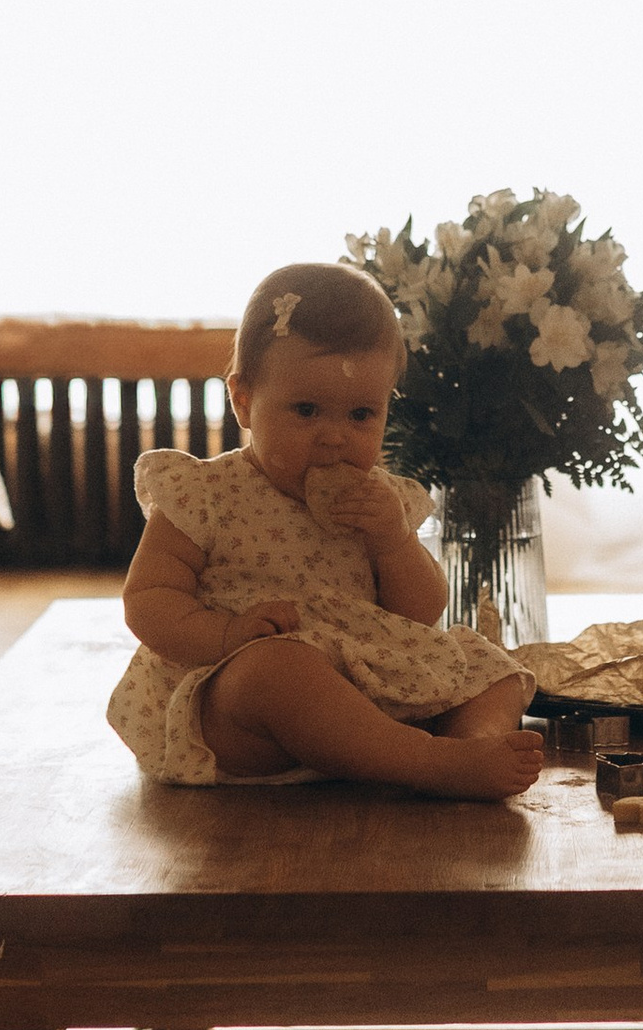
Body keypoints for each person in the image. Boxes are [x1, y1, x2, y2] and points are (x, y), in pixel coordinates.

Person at [108, 260, 542, 802]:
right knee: (279, 670)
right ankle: (429, 761)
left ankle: (471, 744)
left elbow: (422, 610)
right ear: (244, 400)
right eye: (307, 410)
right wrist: (226, 635)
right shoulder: (205, 494)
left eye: (362, 414)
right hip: (239, 713)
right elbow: (149, 598)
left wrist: (393, 541)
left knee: (491, 665)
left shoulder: (380, 503)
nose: (335, 438)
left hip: (365, 684)